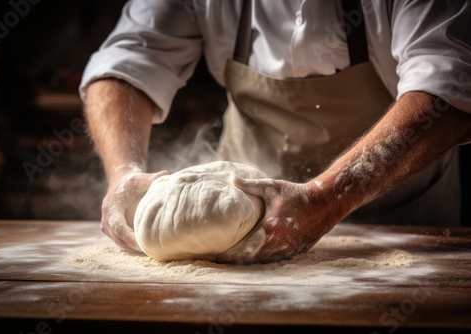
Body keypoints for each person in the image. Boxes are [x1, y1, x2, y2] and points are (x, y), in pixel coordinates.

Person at [80, 0, 471, 263]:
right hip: (240, 237)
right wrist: (122, 172)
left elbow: (451, 82)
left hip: (403, 223)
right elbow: (128, 61)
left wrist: (325, 199)